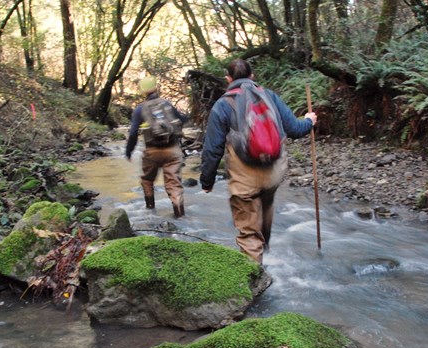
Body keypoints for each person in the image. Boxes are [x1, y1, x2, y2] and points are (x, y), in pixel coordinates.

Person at [200, 59, 317, 263]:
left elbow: (212, 149)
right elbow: (295, 130)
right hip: (274, 172)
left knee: (249, 231)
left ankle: (257, 279)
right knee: (265, 204)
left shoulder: (222, 105)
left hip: (245, 177)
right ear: (252, 76)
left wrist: (207, 181)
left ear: (228, 80)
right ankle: (267, 250)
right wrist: (309, 120)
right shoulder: (269, 96)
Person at [126, 76, 187, 218]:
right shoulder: (166, 104)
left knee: (147, 180)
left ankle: (150, 211)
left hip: (151, 151)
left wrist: (129, 151)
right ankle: (180, 216)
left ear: (142, 91)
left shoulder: (140, 109)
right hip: (172, 150)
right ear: (156, 87)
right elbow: (182, 120)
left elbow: (133, 132)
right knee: (174, 184)